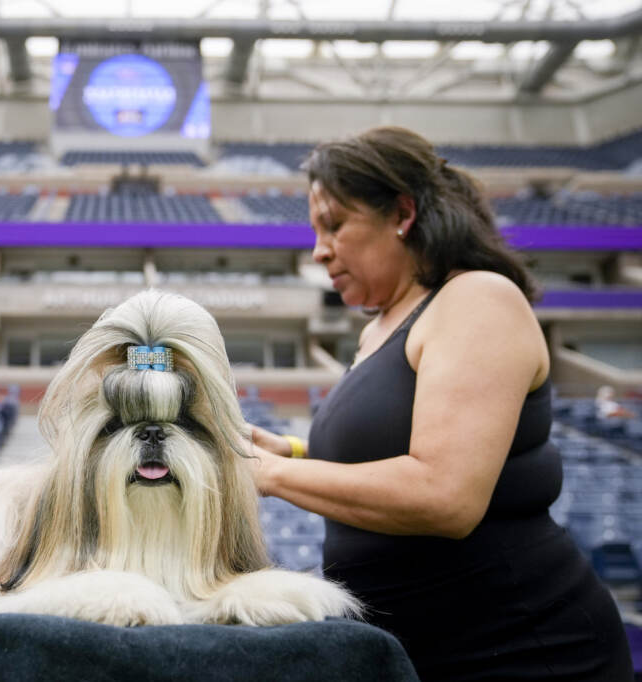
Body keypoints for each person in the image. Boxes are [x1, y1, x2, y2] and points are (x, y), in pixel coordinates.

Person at [246, 127, 632, 681]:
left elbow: (445, 495)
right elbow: (394, 447)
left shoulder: (477, 299)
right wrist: (294, 450)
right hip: (421, 653)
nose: (318, 250)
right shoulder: (381, 326)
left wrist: (273, 473)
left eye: (334, 225)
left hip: (523, 651)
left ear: (402, 213)